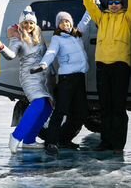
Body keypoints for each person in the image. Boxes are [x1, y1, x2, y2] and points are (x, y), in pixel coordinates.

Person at [79, 0, 131, 153]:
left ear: (122, 4)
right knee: (105, 106)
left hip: (121, 65)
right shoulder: (101, 17)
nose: (114, 4)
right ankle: (105, 141)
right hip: (102, 65)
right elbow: (89, 4)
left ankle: (118, 144)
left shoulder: (127, 17)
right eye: (111, 2)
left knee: (118, 107)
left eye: (117, 2)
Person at [0, 6, 52, 154]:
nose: (28, 26)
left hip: (41, 77)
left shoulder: (38, 37)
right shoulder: (17, 38)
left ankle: (29, 140)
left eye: (31, 23)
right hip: (29, 76)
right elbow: (11, 55)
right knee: (39, 102)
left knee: (47, 107)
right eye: (25, 23)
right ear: (21, 24)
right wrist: (1, 47)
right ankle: (16, 136)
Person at [33, 10, 92, 155]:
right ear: (58, 25)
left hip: (79, 78)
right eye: (62, 22)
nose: (65, 24)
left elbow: (85, 21)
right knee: (60, 111)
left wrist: (91, 5)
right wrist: (44, 64)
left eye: (67, 21)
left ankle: (64, 139)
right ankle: (51, 142)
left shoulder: (77, 35)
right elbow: (51, 53)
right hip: (67, 80)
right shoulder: (57, 39)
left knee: (81, 112)